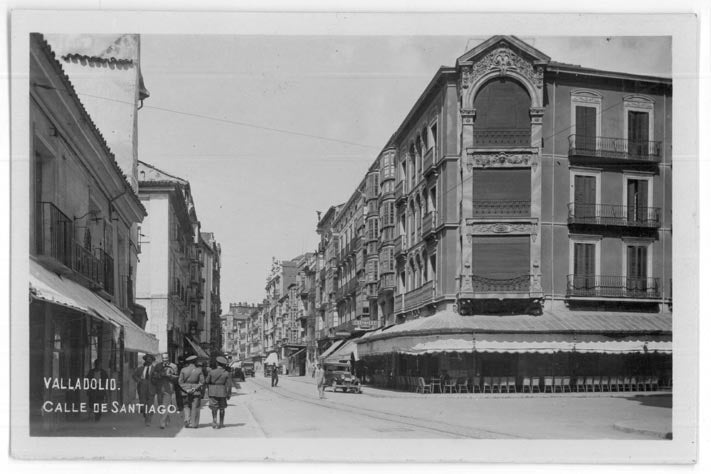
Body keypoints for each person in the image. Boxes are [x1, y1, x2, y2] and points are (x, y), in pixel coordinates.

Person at [205, 356, 233, 429]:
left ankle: (214, 422)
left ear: (217, 363)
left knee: (214, 407)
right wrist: (229, 394)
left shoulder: (211, 372)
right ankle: (221, 423)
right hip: (222, 392)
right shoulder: (227, 373)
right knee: (222, 408)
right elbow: (229, 385)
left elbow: (207, 381)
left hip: (213, 391)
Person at [153, 353, 178, 429]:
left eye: (166, 358)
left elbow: (177, 377)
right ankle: (166, 418)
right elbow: (154, 376)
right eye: (163, 359)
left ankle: (162, 423)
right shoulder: (157, 366)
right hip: (159, 388)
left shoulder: (174, 366)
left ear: (168, 358)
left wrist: (170, 376)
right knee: (160, 406)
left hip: (168, 388)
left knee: (165, 405)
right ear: (161, 358)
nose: (165, 360)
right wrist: (160, 375)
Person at [179, 355, 205, 428]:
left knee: (186, 406)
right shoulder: (199, 370)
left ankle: (187, 419)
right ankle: (194, 423)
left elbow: (180, 382)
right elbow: (202, 382)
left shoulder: (183, 370)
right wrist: (194, 388)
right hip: (196, 392)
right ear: (195, 362)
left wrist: (186, 389)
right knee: (195, 407)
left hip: (185, 391)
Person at [132, 354, 158, 426]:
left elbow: (157, 379)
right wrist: (139, 380)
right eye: (147, 359)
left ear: (152, 361)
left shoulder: (154, 369)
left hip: (151, 388)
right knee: (143, 404)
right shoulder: (140, 368)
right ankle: (145, 413)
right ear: (145, 360)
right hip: (142, 387)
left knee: (149, 404)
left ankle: (148, 420)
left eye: (150, 359)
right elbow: (134, 375)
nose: (148, 361)